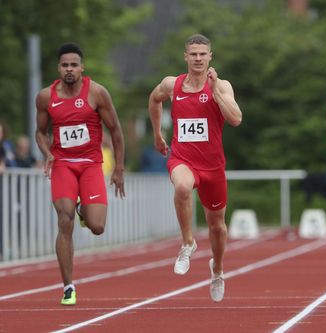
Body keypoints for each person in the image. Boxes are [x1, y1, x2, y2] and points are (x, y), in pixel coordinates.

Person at [148, 34, 242, 302]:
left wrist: (214, 93)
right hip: (182, 159)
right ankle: (188, 243)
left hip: (212, 167)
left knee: (217, 227)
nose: (198, 58)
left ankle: (218, 270)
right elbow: (154, 99)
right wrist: (157, 133)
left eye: (203, 54)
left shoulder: (221, 86)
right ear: (185, 57)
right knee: (181, 186)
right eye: (193, 54)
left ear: (210, 56)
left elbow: (236, 119)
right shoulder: (172, 84)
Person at [35, 42, 125, 306]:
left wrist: (119, 168)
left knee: (97, 227)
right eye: (65, 65)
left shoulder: (96, 93)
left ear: (82, 67)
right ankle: (68, 287)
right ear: (58, 68)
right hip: (62, 164)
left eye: (74, 65)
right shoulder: (45, 97)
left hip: (90, 165)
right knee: (64, 220)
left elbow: (117, 131)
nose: (70, 69)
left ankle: (84, 210)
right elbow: (40, 132)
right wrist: (47, 153)